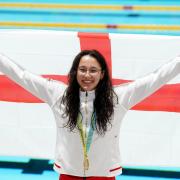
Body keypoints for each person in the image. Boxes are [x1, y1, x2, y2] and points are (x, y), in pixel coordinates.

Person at [0, 49, 180, 180]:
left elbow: (156, 79)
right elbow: (21, 75)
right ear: (75, 72)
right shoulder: (57, 94)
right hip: (68, 175)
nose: (87, 75)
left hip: (103, 175)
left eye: (93, 70)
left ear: (102, 74)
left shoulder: (118, 98)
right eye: (82, 69)